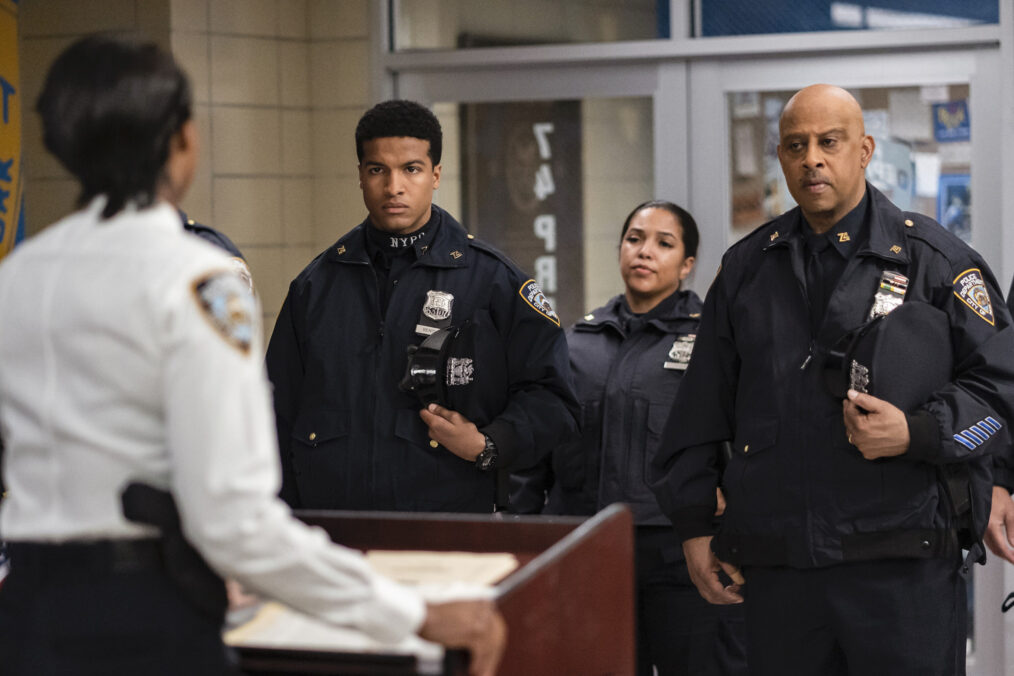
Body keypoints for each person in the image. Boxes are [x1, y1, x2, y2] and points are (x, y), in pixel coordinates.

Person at [0, 36, 504, 676]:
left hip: (26, 609)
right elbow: (235, 518)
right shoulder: (197, 282)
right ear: (184, 141)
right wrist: (412, 615)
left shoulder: (18, 278)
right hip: (142, 614)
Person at [651, 83, 1014, 675]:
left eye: (829, 142)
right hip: (779, 569)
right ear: (781, 159)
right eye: (796, 145)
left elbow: (1001, 392)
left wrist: (919, 432)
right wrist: (694, 526)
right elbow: (699, 408)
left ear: (865, 150)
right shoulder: (747, 270)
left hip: (902, 565)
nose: (811, 158)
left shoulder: (936, 263)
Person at [266, 99, 579, 513]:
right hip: (333, 536)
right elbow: (275, 412)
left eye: (411, 169)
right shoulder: (317, 285)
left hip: (448, 529)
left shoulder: (492, 282)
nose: (393, 186)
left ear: (435, 175)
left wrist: (489, 444)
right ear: (360, 175)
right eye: (378, 169)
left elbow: (553, 400)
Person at [511, 200, 747, 675]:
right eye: (635, 239)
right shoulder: (577, 343)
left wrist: (733, 500)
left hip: (683, 550)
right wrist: (522, 526)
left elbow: (745, 436)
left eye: (664, 243)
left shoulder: (713, 344)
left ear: (686, 265)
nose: (644, 252)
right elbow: (538, 447)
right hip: (588, 545)